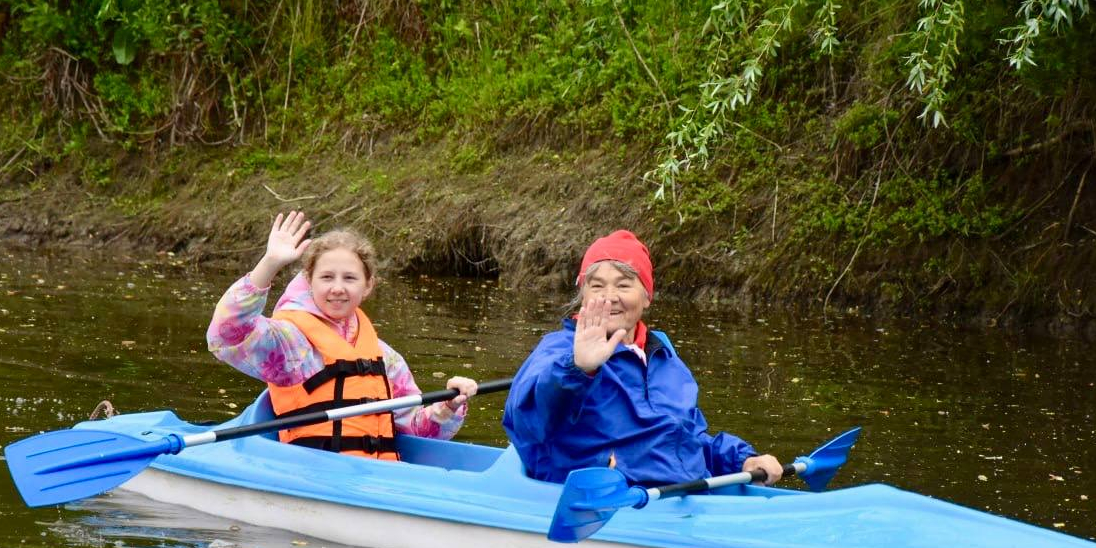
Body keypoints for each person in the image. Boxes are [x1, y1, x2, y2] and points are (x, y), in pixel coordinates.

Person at [502, 229, 783, 486]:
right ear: (583, 295)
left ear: (647, 296)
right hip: (603, 498)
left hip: (681, 499)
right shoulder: (559, 349)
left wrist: (742, 460)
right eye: (597, 286)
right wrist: (578, 369)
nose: (609, 297)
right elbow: (525, 421)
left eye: (623, 286)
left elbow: (686, 440)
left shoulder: (665, 360)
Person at [208, 211, 478, 458]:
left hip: (376, 476)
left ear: (368, 285)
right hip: (310, 473)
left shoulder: (386, 358)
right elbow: (226, 334)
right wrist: (269, 264)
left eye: (349, 278)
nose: (337, 288)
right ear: (309, 281)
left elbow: (418, 430)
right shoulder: (291, 343)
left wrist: (449, 405)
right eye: (327, 277)